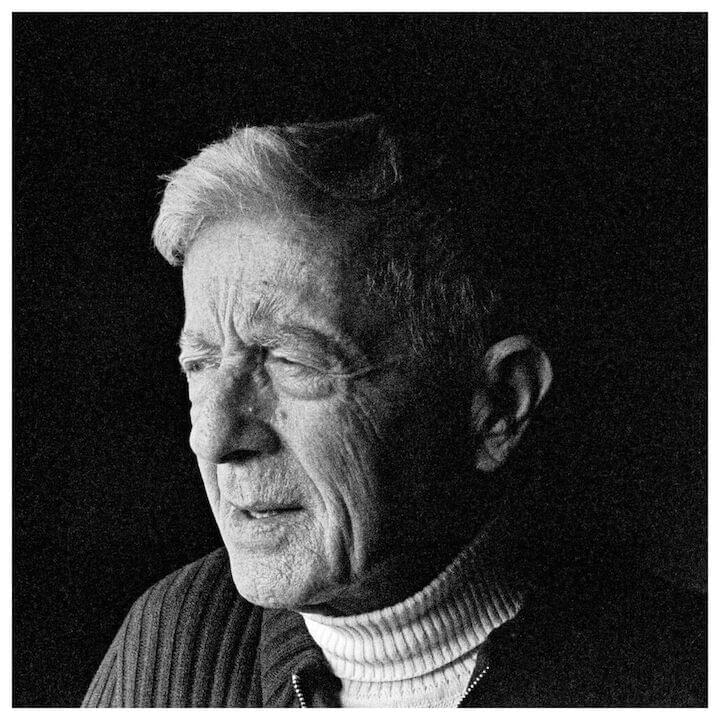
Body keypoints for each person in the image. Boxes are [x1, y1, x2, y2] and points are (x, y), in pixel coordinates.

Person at [83, 114, 705, 707]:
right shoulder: (169, 640)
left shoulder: (678, 674)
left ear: (498, 406)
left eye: (293, 360)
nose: (214, 437)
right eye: (201, 363)